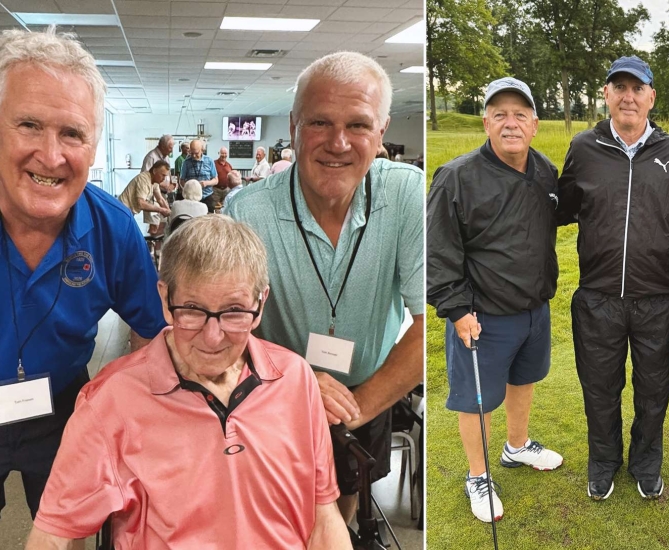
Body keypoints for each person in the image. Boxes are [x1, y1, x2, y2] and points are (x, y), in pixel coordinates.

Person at [25, 215, 351, 549]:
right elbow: (52, 534)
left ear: (260, 303)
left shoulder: (296, 379)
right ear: (166, 301)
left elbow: (324, 516)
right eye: (193, 309)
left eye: (234, 311)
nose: (212, 337)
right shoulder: (111, 400)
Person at [226, 51, 424, 524]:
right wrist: (292, 382)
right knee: (276, 513)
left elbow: (432, 322)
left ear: (381, 132)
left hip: (368, 392)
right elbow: (226, 329)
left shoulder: (407, 195)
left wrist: (354, 408)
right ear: (294, 127)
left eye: (358, 125)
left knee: (343, 503)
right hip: (273, 395)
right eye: (320, 122)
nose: (338, 143)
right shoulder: (245, 212)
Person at [0, 28, 166, 520]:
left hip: (61, 405)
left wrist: (130, 408)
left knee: (65, 528)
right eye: (28, 125)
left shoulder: (113, 229)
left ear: (93, 149)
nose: (51, 156)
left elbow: (152, 331)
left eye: (72, 133)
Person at [557, 55, 669, 501]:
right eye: (619, 87)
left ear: (651, 96)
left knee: (653, 390)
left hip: (658, 298)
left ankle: (645, 462)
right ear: (606, 94)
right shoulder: (584, 148)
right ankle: (603, 462)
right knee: (600, 389)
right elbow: (561, 208)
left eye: (637, 88)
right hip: (598, 297)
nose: (628, 97)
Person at [427, 76, 564, 523]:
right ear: (485, 122)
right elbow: (438, 252)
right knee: (478, 400)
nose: (511, 123)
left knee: (524, 380)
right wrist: (456, 310)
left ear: (534, 125)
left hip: (534, 308)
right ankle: (478, 475)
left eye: (520, 115)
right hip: (481, 315)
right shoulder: (456, 177)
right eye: (500, 114)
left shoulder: (545, 171)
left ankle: (516, 447)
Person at [117, 159, 172, 235]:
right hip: (122, 211)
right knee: (125, 235)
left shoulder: (155, 182)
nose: (163, 179)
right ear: (154, 171)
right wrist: (161, 210)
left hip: (129, 212)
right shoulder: (144, 179)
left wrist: (169, 212)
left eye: (165, 176)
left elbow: (160, 199)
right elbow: (141, 204)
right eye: (162, 175)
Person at [180, 139, 218, 213]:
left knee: (209, 218)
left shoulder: (209, 161)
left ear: (202, 150)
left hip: (207, 196)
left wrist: (206, 183)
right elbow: (181, 180)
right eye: (192, 153)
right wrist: (188, 188)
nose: (194, 156)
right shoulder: (186, 162)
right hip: (191, 199)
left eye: (196, 153)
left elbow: (216, 180)